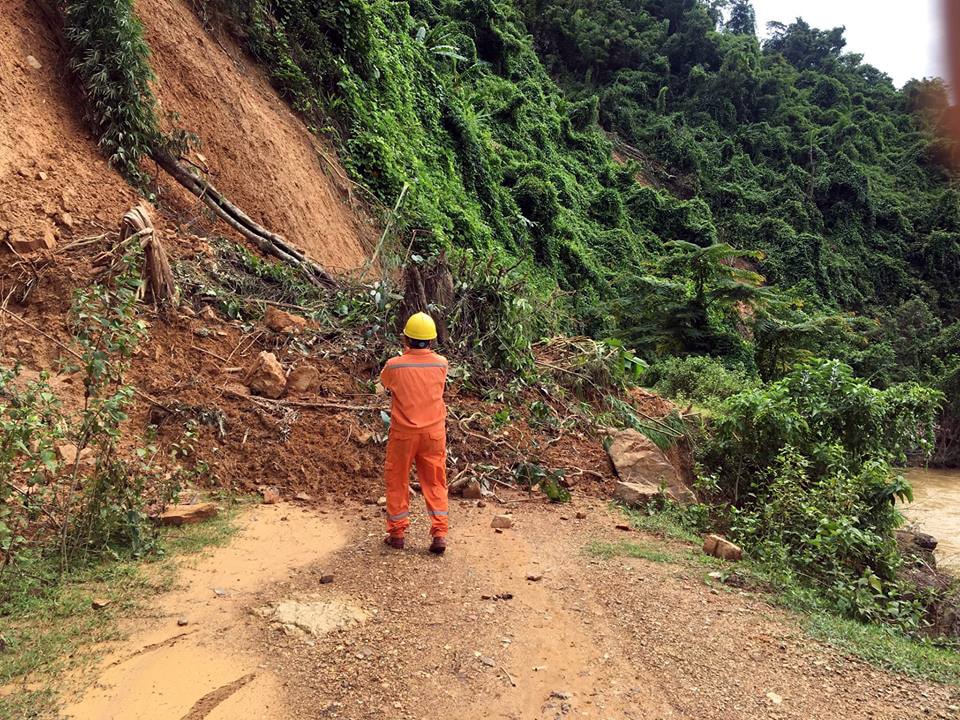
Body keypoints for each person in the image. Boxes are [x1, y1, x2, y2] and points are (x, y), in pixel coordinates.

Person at [379, 312, 449, 554]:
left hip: (403, 434)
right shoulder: (441, 364)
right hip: (434, 434)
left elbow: (383, 386)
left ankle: (397, 534)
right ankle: (439, 533)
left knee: (397, 479)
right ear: (431, 341)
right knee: (435, 481)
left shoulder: (395, 366)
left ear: (405, 339)